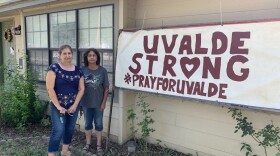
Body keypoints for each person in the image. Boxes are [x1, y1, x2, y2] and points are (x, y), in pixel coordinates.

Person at [46, 45, 85, 156]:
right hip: (57, 105)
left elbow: (82, 89)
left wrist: (75, 105)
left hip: (73, 105)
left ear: (72, 54)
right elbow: (50, 89)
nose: (67, 56)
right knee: (58, 129)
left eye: (69, 53)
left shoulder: (78, 70)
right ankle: (51, 153)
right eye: (64, 53)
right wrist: (59, 106)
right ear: (59, 55)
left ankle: (64, 151)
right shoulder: (54, 68)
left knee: (69, 128)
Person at [80, 48, 109, 156]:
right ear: (86, 58)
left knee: (99, 124)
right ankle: (88, 143)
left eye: (94, 55)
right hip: (86, 103)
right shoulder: (82, 70)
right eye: (89, 55)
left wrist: (103, 102)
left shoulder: (102, 71)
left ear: (97, 57)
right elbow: (78, 86)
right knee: (87, 124)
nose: (92, 57)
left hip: (98, 104)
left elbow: (106, 87)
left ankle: (98, 145)